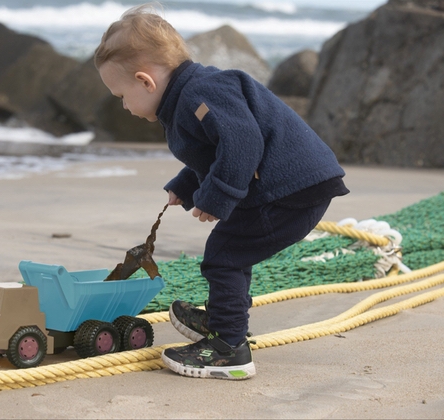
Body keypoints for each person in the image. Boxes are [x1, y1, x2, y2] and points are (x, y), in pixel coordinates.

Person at [94, 4, 349, 380]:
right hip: (286, 186)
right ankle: (224, 321)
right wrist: (188, 185)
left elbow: (243, 143)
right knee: (234, 249)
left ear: (145, 81)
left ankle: (230, 349)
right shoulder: (190, 95)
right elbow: (216, 149)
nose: (124, 105)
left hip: (290, 189)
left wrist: (218, 196)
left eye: (121, 95)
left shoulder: (200, 93)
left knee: (224, 257)